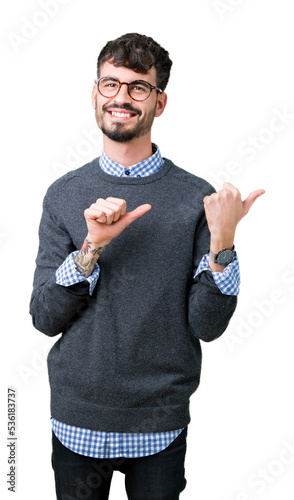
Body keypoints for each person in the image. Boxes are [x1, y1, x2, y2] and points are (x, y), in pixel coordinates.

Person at [30, 33, 265, 500]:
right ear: (95, 94)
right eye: (110, 83)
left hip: (159, 423)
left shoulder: (196, 198)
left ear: (159, 103)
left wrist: (223, 241)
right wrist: (90, 247)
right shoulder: (63, 194)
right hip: (77, 419)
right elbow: (43, 317)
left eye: (138, 87)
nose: (121, 96)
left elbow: (208, 326)